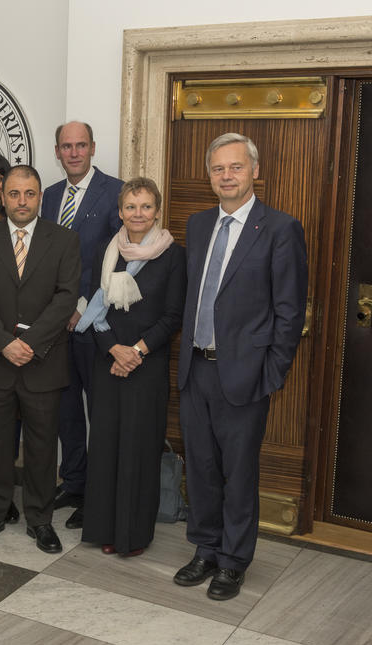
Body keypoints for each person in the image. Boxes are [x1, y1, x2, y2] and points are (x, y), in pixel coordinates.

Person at [174, 133, 307, 601]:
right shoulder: (196, 224)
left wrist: (272, 373)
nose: (226, 176)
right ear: (209, 175)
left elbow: (290, 312)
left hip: (245, 376)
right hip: (196, 371)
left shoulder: (279, 229)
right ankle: (205, 549)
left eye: (234, 167)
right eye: (217, 169)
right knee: (202, 468)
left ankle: (233, 562)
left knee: (239, 473)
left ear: (254, 172)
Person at [0, 165, 80, 552]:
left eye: (29, 194)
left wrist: (30, 342)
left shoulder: (64, 240)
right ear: (1, 195)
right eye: (14, 194)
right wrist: (3, 343)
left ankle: (40, 519)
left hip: (43, 362)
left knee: (43, 446)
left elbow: (66, 297)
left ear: (40, 197)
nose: (21, 201)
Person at [76, 177, 185, 557]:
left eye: (146, 207)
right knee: (105, 446)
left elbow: (173, 316)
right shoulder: (108, 251)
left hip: (147, 366)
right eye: (130, 207)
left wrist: (135, 352)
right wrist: (113, 349)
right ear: (120, 211)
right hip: (107, 361)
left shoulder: (172, 255)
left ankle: (132, 535)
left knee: (138, 448)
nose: (138, 214)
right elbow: (94, 307)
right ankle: (105, 528)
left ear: (157, 211)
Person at [39, 122, 124, 531]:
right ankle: (72, 481)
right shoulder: (50, 196)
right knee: (66, 407)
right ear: (56, 151)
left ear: (93, 147)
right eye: (66, 146)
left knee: (100, 411)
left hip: (97, 323)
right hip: (56, 327)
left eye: (81, 145)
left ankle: (97, 494)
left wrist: (84, 307)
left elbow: (117, 261)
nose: (73, 153)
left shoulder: (116, 191)